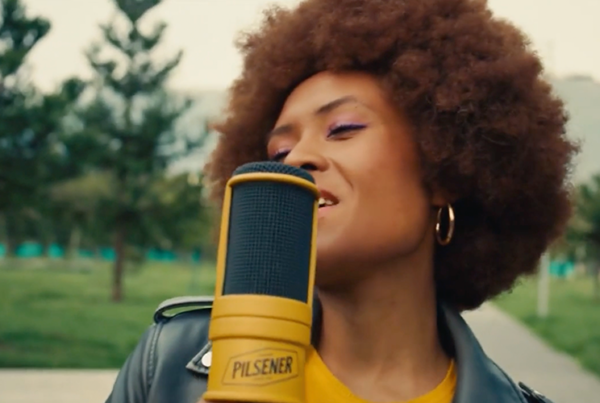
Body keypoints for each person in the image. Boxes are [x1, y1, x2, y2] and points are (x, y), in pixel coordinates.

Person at [105, 0, 577, 402]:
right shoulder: (164, 365)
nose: (297, 160)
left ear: (444, 172)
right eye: (279, 153)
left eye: (343, 129)